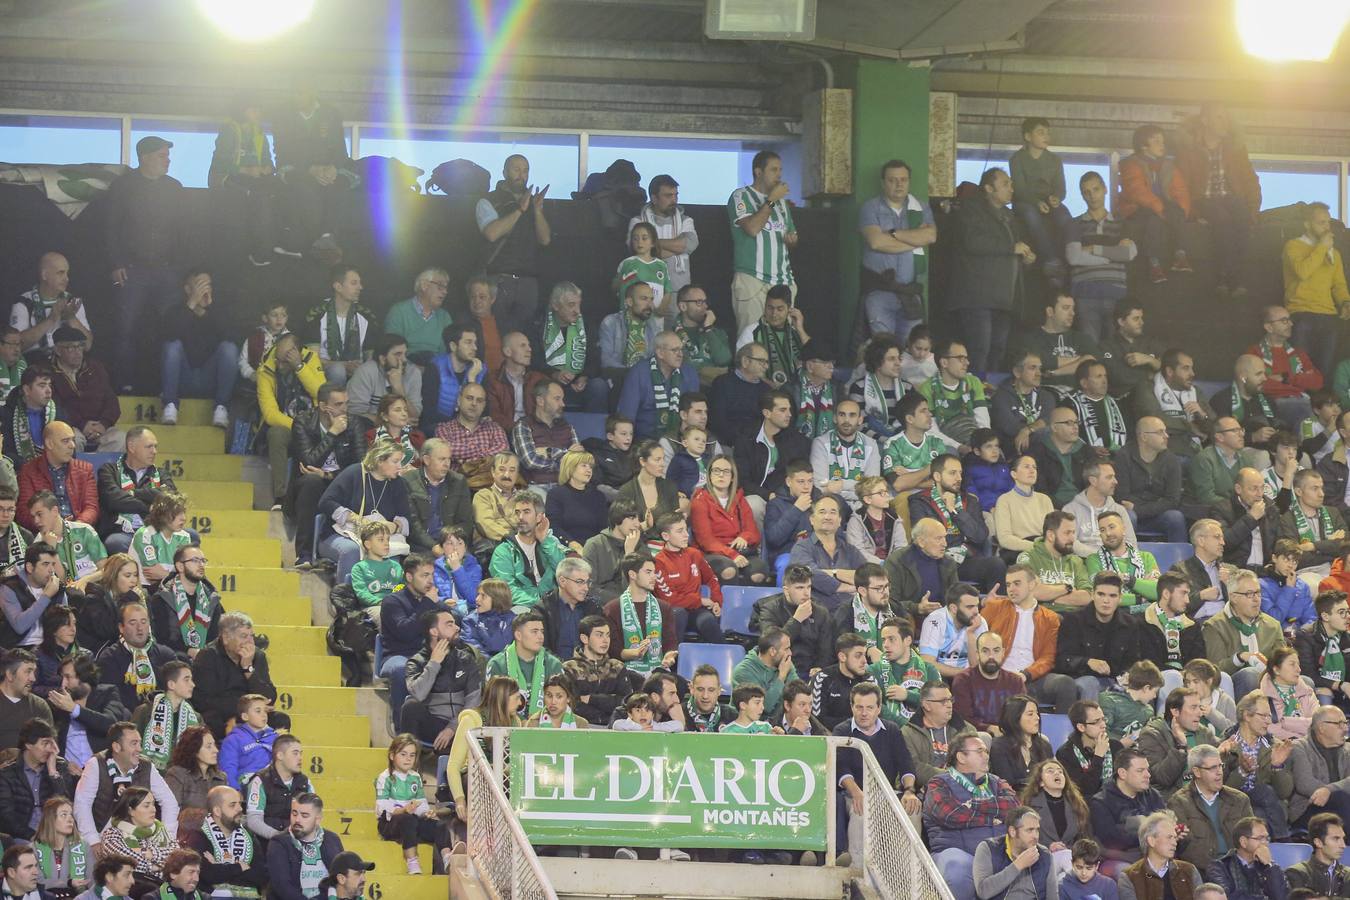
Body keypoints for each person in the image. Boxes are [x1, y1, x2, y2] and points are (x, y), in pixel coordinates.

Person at [951, 168, 1034, 377]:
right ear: (988, 188)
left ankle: (990, 397)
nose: (1011, 188)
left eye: (1011, 184)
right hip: (978, 296)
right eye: (1005, 183)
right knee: (979, 350)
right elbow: (973, 242)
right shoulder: (971, 209)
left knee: (998, 351)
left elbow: (1013, 249)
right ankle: (976, 399)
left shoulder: (1009, 216)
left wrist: (1026, 257)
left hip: (1005, 298)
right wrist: (1011, 247)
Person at [924, 731, 1022, 900]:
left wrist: (973, 804)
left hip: (998, 853)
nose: (986, 756)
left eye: (986, 752)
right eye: (980, 751)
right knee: (958, 866)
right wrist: (992, 818)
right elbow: (950, 815)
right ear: (961, 757)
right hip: (957, 852)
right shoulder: (938, 783)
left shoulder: (996, 781)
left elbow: (1014, 807)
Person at [834, 682, 921, 861]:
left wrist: (910, 791)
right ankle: (855, 875)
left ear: (879, 708)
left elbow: (906, 764)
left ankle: (906, 871)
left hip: (887, 793)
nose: (864, 713)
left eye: (869, 707)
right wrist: (857, 792)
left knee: (913, 808)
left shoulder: (892, 730)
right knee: (860, 811)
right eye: (859, 707)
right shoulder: (841, 730)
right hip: (854, 795)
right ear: (852, 707)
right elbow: (841, 769)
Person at [858, 158, 936, 343]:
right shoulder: (871, 207)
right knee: (883, 349)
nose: (899, 184)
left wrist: (893, 234)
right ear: (883, 183)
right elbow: (876, 242)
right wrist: (914, 240)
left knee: (912, 351)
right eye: (892, 180)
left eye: (903, 179)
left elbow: (931, 237)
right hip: (879, 292)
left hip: (910, 292)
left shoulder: (921, 207)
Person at [983, 565, 1079, 712]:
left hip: (1032, 678)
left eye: (1017, 583)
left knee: (1065, 684)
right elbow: (978, 642)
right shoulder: (994, 608)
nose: (1011, 589)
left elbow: (1047, 657)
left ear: (1032, 584)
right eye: (1008, 585)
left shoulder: (1050, 618)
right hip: (998, 675)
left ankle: (1064, 733)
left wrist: (1025, 674)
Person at [73, 720, 179, 852]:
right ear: (116, 747)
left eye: (139, 743)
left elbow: (170, 802)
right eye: (134, 744)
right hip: (102, 839)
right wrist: (92, 841)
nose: (139, 749)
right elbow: (82, 804)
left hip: (139, 841)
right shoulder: (96, 764)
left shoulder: (146, 766)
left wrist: (166, 839)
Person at [475, 154, 551, 332]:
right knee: (495, 334)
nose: (521, 174)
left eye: (525, 170)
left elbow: (545, 239)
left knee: (525, 337)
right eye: (516, 169)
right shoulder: (488, 200)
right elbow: (492, 234)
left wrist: (537, 211)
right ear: (504, 172)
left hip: (528, 282)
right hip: (498, 281)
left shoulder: (532, 202)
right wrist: (519, 210)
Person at [316, 442, 411, 582]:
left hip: (378, 538)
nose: (399, 466)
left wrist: (395, 526)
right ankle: (346, 599)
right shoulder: (354, 473)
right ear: (379, 460)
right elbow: (325, 502)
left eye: (400, 461)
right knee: (351, 550)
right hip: (340, 534)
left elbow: (405, 517)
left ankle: (384, 600)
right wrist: (355, 518)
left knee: (391, 551)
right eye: (395, 461)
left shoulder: (398, 483)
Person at [909, 453, 1004, 590]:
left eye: (960, 473)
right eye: (952, 473)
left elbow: (980, 536)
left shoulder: (969, 501)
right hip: (936, 560)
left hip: (965, 559)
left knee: (996, 564)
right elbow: (924, 537)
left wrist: (955, 511)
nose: (959, 478)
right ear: (937, 477)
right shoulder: (920, 501)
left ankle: (996, 608)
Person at [727, 150, 797, 335]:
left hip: (783, 279)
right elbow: (752, 228)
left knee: (783, 337)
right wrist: (772, 199)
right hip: (752, 278)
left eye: (780, 170)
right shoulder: (740, 196)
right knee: (751, 337)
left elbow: (791, 235)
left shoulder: (782, 204)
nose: (779, 175)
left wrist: (792, 240)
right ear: (758, 172)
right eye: (774, 169)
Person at [1115, 124, 1193, 284]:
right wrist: (1162, 210)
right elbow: (1137, 192)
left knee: (1176, 212)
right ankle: (1154, 263)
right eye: (1156, 141)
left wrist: (1181, 211)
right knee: (1153, 220)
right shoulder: (1131, 164)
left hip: (1163, 207)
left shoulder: (1169, 166)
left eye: (1163, 141)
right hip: (1137, 209)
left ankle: (1180, 255)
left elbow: (1181, 192)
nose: (1162, 144)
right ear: (1143, 145)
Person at [190, 610, 284, 739]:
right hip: (223, 715)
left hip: (250, 713)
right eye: (244, 636)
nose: (250, 642)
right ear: (226, 637)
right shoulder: (208, 656)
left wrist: (247, 668)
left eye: (252, 636)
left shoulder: (258, 656)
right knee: (212, 720)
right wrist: (245, 709)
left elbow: (269, 697)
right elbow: (202, 700)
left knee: (280, 720)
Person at [158, 271, 236, 428]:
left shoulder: (219, 312)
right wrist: (191, 305)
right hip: (182, 379)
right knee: (172, 346)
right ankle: (170, 405)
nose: (204, 289)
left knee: (229, 348)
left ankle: (221, 408)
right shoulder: (174, 311)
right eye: (200, 285)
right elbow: (170, 336)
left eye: (207, 285)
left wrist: (210, 309)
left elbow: (230, 336)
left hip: (209, 379)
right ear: (188, 289)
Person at [1066, 173, 1138, 342]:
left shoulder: (1122, 223)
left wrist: (1092, 248)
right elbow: (1074, 258)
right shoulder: (1074, 224)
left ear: (1105, 189)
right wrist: (1111, 253)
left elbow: (1127, 254)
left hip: (1116, 295)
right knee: (1090, 352)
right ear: (1082, 195)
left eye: (1096, 189)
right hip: (1085, 295)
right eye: (1086, 192)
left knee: (1112, 353)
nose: (1092, 196)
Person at [256, 334, 324, 510]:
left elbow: (322, 395)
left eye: (285, 361)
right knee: (276, 433)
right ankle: (280, 497)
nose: (279, 365)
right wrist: (298, 427)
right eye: (278, 359)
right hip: (288, 427)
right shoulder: (266, 368)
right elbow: (270, 414)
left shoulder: (310, 359)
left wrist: (299, 367)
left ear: (297, 354)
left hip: (314, 425)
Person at [402, 607, 483, 749]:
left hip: (462, 725)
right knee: (410, 707)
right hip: (434, 725)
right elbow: (419, 694)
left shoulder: (466, 659)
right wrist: (434, 664)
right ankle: (410, 767)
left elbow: (474, 700)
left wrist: (452, 727)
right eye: (449, 624)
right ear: (434, 632)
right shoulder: (417, 662)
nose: (457, 627)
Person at [1283, 202, 1349, 376]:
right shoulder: (1293, 246)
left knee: (1326, 371)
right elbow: (1303, 272)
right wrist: (1322, 247)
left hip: (1328, 314)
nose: (1326, 227)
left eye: (1328, 222)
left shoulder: (1334, 253)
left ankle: (1322, 402)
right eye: (1321, 223)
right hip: (1301, 313)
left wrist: (1345, 302)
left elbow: (1339, 284)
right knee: (1301, 372)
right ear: (1307, 224)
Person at [1166, 744, 1254, 870]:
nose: (1219, 772)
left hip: (1238, 869)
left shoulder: (1239, 800)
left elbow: (1252, 838)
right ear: (1197, 772)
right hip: (1201, 872)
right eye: (1213, 768)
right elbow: (1183, 849)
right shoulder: (1179, 803)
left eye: (1220, 766)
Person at [1201, 569, 1285, 697]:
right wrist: (1239, 658)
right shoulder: (1215, 626)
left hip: (1270, 681)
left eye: (1258, 593)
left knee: (1305, 682)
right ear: (1233, 597)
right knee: (1250, 674)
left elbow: (1282, 662)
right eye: (1250, 594)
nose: (1256, 599)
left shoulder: (1273, 625)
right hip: (1233, 686)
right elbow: (1215, 669)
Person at [1056, 572, 1138, 700]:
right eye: (1101, 594)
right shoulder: (1073, 621)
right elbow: (1060, 660)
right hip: (1080, 680)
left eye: (1112, 596)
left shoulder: (1130, 624)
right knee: (1090, 683)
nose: (1106, 601)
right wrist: (1087, 662)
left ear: (1120, 598)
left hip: (1117, 682)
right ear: (1093, 595)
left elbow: (1134, 661)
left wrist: (1128, 675)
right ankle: (1090, 720)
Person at [96, 428, 177, 556]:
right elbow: (114, 500)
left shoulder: (161, 473)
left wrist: (133, 493)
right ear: (132, 447)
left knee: (191, 535)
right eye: (149, 447)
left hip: (157, 531)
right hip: (123, 532)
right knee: (115, 542)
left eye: (155, 447)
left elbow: (170, 498)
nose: (154, 451)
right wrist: (148, 506)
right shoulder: (109, 471)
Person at [375, 734, 444, 874]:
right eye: (403, 754)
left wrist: (427, 813)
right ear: (392, 756)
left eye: (412, 755)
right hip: (389, 823)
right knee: (408, 819)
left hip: (411, 821)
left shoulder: (415, 777)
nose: (408, 759)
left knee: (439, 825)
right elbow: (382, 810)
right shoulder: (385, 778)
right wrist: (404, 810)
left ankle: (447, 856)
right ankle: (412, 861)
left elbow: (421, 803)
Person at [534, 282, 607, 415]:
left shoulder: (586, 325)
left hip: (578, 383)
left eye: (579, 304)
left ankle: (593, 431)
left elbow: (595, 359)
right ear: (556, 305)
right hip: (550, 379)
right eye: (571, 305)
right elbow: (534, 360)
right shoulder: (539, 325)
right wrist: (554, 373)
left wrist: (584, 376)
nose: (577, 311)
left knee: (599, 386)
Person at [180, 785, 266, 899]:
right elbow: (207, 875)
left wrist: (220, 868)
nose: (240, 809)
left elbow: (261, 876)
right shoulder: (199, 836)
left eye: (240, 803)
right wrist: (239, 867)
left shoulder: (249, 836)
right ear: (217, 811)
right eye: (233, 805)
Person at [92, 601, 178, 713]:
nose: (140, 628)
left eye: (143, 622)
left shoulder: (166, 655)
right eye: (133, 623)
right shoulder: (109, 658)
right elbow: (111, 702)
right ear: (121, 628)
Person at [735, 389, 810, 515]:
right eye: (782, 410)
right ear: (767, 413)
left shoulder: (797, 442)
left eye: (789, 409)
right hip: (758, 496)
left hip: (786, 498)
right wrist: (768, 495)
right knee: (753, 504)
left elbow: (801, 474)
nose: (789, 414)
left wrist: (783, 496)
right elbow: (742, 480)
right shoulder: (747, 439)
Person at [1136, 688, 1219, 798]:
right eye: (1193, 708)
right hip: (1172, 802)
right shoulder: (1152, 735)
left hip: (1206, 797)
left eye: (1199, 707)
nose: (1199, 713)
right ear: (1175, 711)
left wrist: (1226, 754)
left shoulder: (1203, 732)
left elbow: (1218, 775)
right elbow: (1161, 779)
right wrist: (1180, 747)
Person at [602, 554, 677, 675]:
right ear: (632, 574)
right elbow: (614, 650)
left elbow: (670, 642)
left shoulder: (664, 608)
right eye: (648, 572)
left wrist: (669, 657)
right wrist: (636, 653)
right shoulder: (612, 609)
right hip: (625, 672)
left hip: (658, 672)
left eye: (654, 572)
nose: (654, 577)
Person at [617, 331, 698, 443]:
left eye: (681, 349)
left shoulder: (689, 373)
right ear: (660, 353)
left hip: (680, 441)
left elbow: (695, 414)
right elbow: (626, 416)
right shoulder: (639, 373)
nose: (680, 354)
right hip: (644, 442)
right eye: (674, 350)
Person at [50, 327, 122, 454]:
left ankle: (101, 473)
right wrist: (82, 424)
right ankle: (73, 473)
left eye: (80, 346)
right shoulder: (49, 372)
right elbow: (56, 407)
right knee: (72, 439)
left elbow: (111, 402)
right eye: (71, 347)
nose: (77, 352)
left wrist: (103, 424)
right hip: (70, 425)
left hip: (100, 426)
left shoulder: (96, 368)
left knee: (120, 439)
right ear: (57, 350)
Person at [1248, 304, 1323, 427]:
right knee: (1304, 410)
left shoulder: (1298, 353)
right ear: (1269, 327)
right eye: (1284, 321)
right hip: (1270, 403)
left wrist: (1286, 378)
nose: (1291, 324)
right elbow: (1258, 385)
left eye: (1289, 319)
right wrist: (1300, 381)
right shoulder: (1254, 352)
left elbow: (1317, 382)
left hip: (1302, 400)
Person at [16, 421, 97, 534]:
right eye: (65, 441)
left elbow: (91, 508)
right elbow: (24, 513)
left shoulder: (85, 469)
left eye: (72, 440)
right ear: (49, 444)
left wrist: (75, 527)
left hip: (78, 531)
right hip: (43, 534)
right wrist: (53, 525)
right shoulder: (28, 471)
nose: (72, 445)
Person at [0, 718, 74, 841]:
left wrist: (52, 772)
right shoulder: (7, 774)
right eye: (45, 743)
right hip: (22, 836)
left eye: (52, 743)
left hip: (56, 833)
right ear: (28, 744)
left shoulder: (59, 766)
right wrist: (33, 835)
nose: (51, 749)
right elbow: (7, 816)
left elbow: (66, 804)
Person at [789, 495, 867, 610]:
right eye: (822, 512)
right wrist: (844, 586)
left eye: (833, 512)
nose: (827, 516)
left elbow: (866, 576)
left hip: (852, 614)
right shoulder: (802, 547)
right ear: (812, 519)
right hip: (817, 614)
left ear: (840, 520)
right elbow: (808, 574)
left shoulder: (850, 550)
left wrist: (835, 573)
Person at [1089, 749, 1166, 864]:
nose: (1148, 775)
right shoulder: (1101, 802)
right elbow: (1112, 840)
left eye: (1147, 770)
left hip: (1155, 853)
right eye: (1140, 771)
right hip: (1120, 859)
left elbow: (1165, 825)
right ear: (1122, 773)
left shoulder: (1153, 795)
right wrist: (1150, 834)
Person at [484, 611, 564, 720]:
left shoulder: (554, 665)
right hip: (506, 728)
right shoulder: (497, 664)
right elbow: (492, 707)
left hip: (546, 728)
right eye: (534, 632)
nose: (540, 636)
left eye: (542, 632)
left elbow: (562, 704)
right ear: (518, 635)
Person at [263, 794, 343, 900]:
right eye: (294, 813)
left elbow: (341, 878)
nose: (297, 820)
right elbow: (282, 887)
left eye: (304, 816)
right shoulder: (278, 843)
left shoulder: (332, 840)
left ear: (318, 819)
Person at [1139, 349, 1213, 460]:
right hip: (1166, 453)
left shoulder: (1196, 391)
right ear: (1170, 371)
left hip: (1197, 453)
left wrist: (1202, 415)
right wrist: (1189, 426)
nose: (1192, 374)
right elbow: (1154, 419)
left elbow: (1214, 426)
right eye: (1186, 368)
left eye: (1192, 368)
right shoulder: (1148, 388)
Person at [14, 252, 93, 357]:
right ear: (44, 275)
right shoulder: (24, 302)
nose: (66, 279)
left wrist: (71, 317)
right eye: (60, 273)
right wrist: (51, 319)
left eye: (67, 273)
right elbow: (16, 346)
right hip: (34, 364)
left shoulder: (72, 301)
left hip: (67, 363)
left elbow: (87, 345)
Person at [1018, 295, 1101, 391]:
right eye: (1066, 308)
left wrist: (1055, 371)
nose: (1072, 313)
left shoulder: (1082, 338)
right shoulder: (1031, 338)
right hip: (1045, 392)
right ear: (1050, 311)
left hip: (1079, 394)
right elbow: (1040, 362)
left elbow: (1093, 363)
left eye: (1073, 309)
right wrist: (1080, 360)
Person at [129, 659, 200, 772]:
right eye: (187, 680)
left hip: (184, 777)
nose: (193, 684)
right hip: (146, 774)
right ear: (171, 684)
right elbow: (130, 744)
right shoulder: (145, 712)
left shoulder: (195, 718)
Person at [1184, 417, 1260, 519]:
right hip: (1206, 513)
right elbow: (1206, 497)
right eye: (1234, 431)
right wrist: (1239, 505)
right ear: (1219, 437)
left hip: (1236, 510)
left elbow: (1252, 488)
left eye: (1241, 430)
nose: (1241, 434)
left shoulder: (1246, 459)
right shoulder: (1204, 459)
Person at [1116, 811, 1203, 899]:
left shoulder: (1189, 871)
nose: (1174, 843)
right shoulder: (1130, 877)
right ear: (1151, 841)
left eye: (1174, 837)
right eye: (1169, 837)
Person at [1136, 574, 1204, 686]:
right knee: (1173, 676)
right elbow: (1145, 664)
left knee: (1223, 678)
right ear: (1166, 594)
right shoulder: (1142, 623)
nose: (1187, 600)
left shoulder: (1191, 625)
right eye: (1183, 593)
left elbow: (1200, 661)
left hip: (1189, 680)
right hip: (1153, 682)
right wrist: (1178, 674)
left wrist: (1188, 676)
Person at [952, 631, 1025, 735]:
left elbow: (1021, 715)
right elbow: (962, 718)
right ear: (977, 654)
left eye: (996, 651)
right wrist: (988, 728)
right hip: (976, 736)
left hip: (1009, 736)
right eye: (985, 651)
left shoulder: (1016, 682)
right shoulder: (963, 680)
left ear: (1003, 652)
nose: (991, 656)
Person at [735, 287, 808, 390]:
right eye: (770, 308)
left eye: (780, 309)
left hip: (797, 392)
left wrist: (800, 329)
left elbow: (817, 358)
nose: (774, 314)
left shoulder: (796, 332)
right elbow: (741, 367)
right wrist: (769, 385)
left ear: (789, 309)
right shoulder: (751, 331)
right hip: (762, 391)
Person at [438, 383, 507, 491]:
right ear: (459, 400)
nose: (474, 403)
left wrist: (467, 459)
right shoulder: (444, 429)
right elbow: (445, 450)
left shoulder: (494, 428)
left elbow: (504, 450)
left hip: (490, 487)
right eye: (469, 398)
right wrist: (485, 457)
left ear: (484, 406)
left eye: (479, 401)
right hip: (456, 489)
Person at [241, 735, 310, 843]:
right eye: (295, 753)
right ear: (280, 755)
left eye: (301, 753)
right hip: (266, 845)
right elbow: (253, 820)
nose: (300, 758)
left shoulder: (305, 783)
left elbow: (312, 815)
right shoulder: (260, 781)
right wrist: (278, 837)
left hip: (298, 843)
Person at [1085, 511, 1161, 607]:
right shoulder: (1094, 560)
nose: (1108, 533)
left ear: (1123, 529)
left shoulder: (1146, 557)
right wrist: (1141, 596)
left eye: (1112, 527)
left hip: (1146, 616)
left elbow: (1158, 592)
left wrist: (1127, 579)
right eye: (1102, 530)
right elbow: (1103, 598)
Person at [1016, 510, 1091, 608]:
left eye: (1073, 532)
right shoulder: (1027, 558)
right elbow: (1031, 591)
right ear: (1051, 535)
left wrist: (1048, 597)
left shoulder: (1076, 561)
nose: (1073, 538)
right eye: (1067, 533)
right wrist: (1067, 588)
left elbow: (1087, 596)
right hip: (1042, 618)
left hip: (1075, 618)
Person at [0, 542, 66, 650]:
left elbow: (65, 624)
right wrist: (46, 596)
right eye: (45, 564)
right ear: (30, 568)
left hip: (50, 648)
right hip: (18, 649)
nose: (51, 570)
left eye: (53, 564)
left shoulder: (57, 587)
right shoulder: (9, 587)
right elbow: (20, 626)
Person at [423, 324, 486, 436]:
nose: (475, 348)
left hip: (471, 429)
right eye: (468, 342)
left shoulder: (480, 370)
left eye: (475, 343)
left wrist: (472, 380)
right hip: (437, 428)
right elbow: (429, 411)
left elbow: (484, 412)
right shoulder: (435, 367)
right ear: (453, 346)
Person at [1279, 469, 1348, 571]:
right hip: (1307, 573)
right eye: (1315, 489)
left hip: (1338, 569)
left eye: (1321, 488)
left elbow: (1346, 547)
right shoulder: (1287, 520)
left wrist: (1313, 546)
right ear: (1299, 492)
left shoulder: (1333, 513)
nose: (1322, 494)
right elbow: (1296, 557)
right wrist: (1330, 545)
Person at [1204, 817, 1289, 900]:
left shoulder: (1268, 866)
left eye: (1267, 838)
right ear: (1243, 842)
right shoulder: (1219, 867)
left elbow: (1283, 896)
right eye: (1260, 838)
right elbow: (1227, 897)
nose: (1265, 843)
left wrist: (1269, 865)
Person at [1217, 468, 1283, 574]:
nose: (1260, 494)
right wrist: (1251, 518)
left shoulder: (1271, 508)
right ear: (1238, 489)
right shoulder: (1222, 509)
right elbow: (1224, 543)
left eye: (1262, 488)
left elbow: (1279, 543)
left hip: (1266, 572)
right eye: (1254, 489)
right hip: (1236, 571)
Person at [881, 392, 948, 496]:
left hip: (934, 498)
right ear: (910, 419)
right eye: (923, 411)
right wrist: (931, 468)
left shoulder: (937, 441)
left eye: (928, 410)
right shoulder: (893, 444)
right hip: (906, 501)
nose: (930, 414)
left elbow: (945, 482)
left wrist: (909, 475)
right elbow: (898, 485)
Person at [1064, 462, 1136, 556]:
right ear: (1093, 481)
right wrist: (1101, 556)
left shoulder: (1119, 510)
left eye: (1114, 477)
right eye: (1109, 477)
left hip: (1116, 564)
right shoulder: (1071, 510)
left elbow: (1132, 544)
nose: (1115, 481)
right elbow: (1070, 542)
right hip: (1083, 562)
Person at [1027, 405, 1092, 509]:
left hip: (1085, 506)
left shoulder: (1086, 452)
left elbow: (1094, 484)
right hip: (1051, 509)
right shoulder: (1037, 453)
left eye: (1076, 422)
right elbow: (1038, 489)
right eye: (1069, 423)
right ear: (1054, 427)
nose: (1075, 427)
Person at [1056, 700, 1124, 799]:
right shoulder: (1066, 753)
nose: (1103, 725)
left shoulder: (1116, 747)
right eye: (1096, 722)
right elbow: (1085, 790)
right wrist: (1098, 757)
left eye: (1103, 719)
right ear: (1081, 727)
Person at [348, 336, 423, 425]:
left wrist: (399, 390)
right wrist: (390, 421)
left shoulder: (413, 373)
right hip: (369, 427)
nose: (404, 360)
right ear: (383, 359)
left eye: (405, 354)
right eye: (398, 354)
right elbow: (355, 414)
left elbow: (414, 417)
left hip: (401, 428)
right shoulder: (366, 372)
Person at [383, 269, 453, 363]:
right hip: (405, 368)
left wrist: (432, 370)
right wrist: (412, 369)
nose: (445, 292)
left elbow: (446, 352)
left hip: (435, 369)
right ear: (424, 285)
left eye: (446, 288)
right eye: (440, 286)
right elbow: (393, 350)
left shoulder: (444, 317)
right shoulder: (398, 312)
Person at [850, 335, 911, 442]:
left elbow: (914, 423)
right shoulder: (859, 388)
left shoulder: (907, 388)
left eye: (899, 358)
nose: (898, 363)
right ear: (877, 363)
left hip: (902, 443)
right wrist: (886, 440)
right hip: (870, 443)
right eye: (891, 359)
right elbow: (858, 425)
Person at [667, 285, 731, 387]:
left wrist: (708, 329)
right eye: (699, 302)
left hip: (716, 390)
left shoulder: (716, 332)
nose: (705, 306)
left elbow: (723, 360)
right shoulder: (670, 335)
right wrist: (703, 371)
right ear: (683, 306)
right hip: (686, 391)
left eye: (705, 302)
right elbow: (677, 366)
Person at [992, 352, 1053, 458]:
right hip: (1013, 448)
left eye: (1040, 369)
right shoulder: (1002, 396)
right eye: (1033, 368)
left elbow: (1050, 419)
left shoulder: (1047, 396)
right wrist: (1035, 428)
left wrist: (1027, 430)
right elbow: (1010, 427)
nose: (1039, 373)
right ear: (1017, 372)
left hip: (1042, 449)